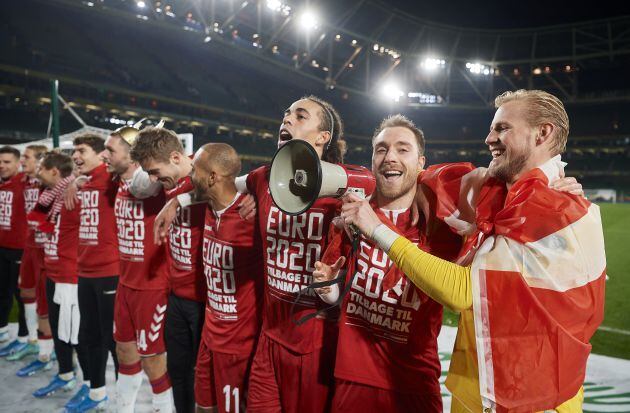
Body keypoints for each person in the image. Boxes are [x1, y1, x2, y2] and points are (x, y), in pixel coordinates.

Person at [340, 90, 606, 412]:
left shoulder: (559, 213)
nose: (488, 138)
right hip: (474, 389)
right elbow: (406, 178)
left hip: (533, 398)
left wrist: (378, 230)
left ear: (543, 133)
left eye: (502, 128)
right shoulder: (494, 191)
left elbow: (464, 292)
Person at [154, 96, 346, 413]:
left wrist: (331, 288)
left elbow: (341, 273)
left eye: (300, 116)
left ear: (322, 136)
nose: (287, 119)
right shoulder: (263, 179)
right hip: (269, 336)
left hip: (313, 338)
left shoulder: (344, 185)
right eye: (285, 114)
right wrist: (178, 202)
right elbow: (223, 183)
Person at [313, 115, 460, 412]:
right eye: (381, 149)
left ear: (421, 163)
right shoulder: (350, 217)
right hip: (352, 378)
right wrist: (328, 290)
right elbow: (340, 293)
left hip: (415, 382)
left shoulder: (442, 228)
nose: (389, 157)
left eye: (402, 149)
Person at [129, 127, 207, 413]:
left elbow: (224, 185)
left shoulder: (204, 173)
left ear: (176, 156)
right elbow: (138, 185)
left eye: (155, 171)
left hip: (206, 299)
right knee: (178, 372)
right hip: (177, 296)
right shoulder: (165, 180)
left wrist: (178, 201)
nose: (153, 179)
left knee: (205, 378)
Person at [102, 127, 173, 413]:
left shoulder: (156, 184)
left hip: (153, 286)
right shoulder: (116, 183)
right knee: (124, 352)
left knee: (153, 360)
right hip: (126, 284)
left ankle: (163, 409)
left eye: (110, 150)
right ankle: (124, 409)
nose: (104, 155)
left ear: (132, 157)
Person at [190, 143, 264, 413]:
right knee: (202, 407)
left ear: (211, 177)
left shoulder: (252, 218)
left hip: (238, 346)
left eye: (194, 170)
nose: (190, 176)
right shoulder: (208, 208)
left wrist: (257, 195)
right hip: (209, 338)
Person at [28, 151, 91, 407]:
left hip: (71, 274)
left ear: (55, 171)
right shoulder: (52, 194)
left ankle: (91, 385)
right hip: (54, 270)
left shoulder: (76, 192)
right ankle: (65, 374)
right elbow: (41, 223)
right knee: (60, 330)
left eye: (41, 167)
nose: (36, 171)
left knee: (79, 335)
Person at [66, 134, 120, 411]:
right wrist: (75, 181)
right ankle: (97, 393)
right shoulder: (83, 182)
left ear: (101, 155)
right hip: (84, 270)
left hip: (110, 272)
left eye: (81, 151)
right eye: (74, 151)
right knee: (89, 336)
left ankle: (124, 396)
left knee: (113, 340)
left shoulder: (113, 180)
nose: (76, 156)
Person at [2, 145, 52, 368]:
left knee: (46, 301)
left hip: (45, 249)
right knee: (27, 293)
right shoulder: (24, 181)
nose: (23, 161)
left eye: (26, 157)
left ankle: (49, 350)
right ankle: (31, 339)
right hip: (31, 245)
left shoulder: (48, 184)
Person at [0, 146, 28, 348]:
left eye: (7, 162)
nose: (2, 166)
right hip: (1, 247)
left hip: (21, 250)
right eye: (0, 162)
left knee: (22, 295)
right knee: (1, 292)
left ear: (18, 163)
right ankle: (2, 331)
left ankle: (24, 337)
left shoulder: (25, 183)